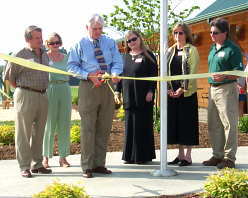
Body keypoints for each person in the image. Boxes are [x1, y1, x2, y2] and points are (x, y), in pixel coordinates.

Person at [67, 14, 123, 178]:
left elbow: (117, 62)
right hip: (88, 87)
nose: (98, 32)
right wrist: (88, 75)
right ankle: (87, 166)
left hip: (107, 87)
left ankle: (99, 164)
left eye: (100, 28)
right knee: (88, 128)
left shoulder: (110, 42)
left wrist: (114, 73)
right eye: (94, 29)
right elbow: (71, 67)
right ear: (87, 28)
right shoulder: (79, 44)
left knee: (104, 128)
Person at [4, 25, 52, 177]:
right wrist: (23, 90)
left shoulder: (45, 53)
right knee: (23, 132)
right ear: (28, 39)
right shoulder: (19, 54)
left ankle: (37, 164)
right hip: (25, 94)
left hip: (43, 95)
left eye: (41, 37)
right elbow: (9, 78)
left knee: (39, 132)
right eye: (37, 38)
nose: (41, 40)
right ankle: (24, 166)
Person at [202, 18, 243, 169]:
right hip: (212, 89)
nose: (212, 35)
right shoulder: (213, 48)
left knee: (229, 124)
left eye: (215, 33)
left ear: (225, 33)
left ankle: (229, 158)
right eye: (211, 32)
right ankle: (217, 155)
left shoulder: (232, 49)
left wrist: (224, 76)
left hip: (227, 89)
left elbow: (239, 73)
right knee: (214, 124)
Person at [114, 30, 158, 164]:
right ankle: (129, 156)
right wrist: (117, 91)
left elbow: (154, 74)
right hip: (129, 96)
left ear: (140, 38)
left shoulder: (148, 55)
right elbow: (119, 77)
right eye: (128, 41)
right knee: (130, 126)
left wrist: (151, 91)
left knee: (142, 125)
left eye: (134, 39)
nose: (131, 42)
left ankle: (143, 156)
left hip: (144, 96)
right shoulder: (124, 57)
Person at [167, 23, 200, 166]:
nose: (177, 36)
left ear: (186, 34)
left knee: (187, 124)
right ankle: (180, 155)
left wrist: (182, 89)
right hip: (172, 93)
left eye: (180, 33)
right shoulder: (170, 50)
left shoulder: (192, 50)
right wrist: (169, 89)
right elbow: (165, 72)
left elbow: (192, 72)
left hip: (187, 93)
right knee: (177, 124)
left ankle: (188, 156)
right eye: (175, 33)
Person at [42, 33, 71, 168]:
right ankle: (45, 157)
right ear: (47, 44)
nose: (55, 45)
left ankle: (63, 158)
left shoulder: (66, 58)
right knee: (49, 125)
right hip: (50, 89)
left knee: (64, 124)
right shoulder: (44, 58)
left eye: (57, 42)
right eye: (52, 43)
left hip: (65, 89)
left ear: (60, 43)